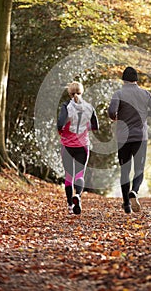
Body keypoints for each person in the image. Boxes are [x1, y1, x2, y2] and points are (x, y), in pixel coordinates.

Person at [108, 67, 151, 214]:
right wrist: (143, 114)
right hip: (140, 138)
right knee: (139, 169)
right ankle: (134, 191)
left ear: (123, 80)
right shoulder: (145, 94)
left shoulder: (118, 94)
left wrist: (117, 118)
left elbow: (112, 112)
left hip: (123, 137)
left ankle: (126, 204)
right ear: (136, 79)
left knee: (125, 170)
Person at [57, 81, 99, 215]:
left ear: (69, 93)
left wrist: (62, 131)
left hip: (67, 146)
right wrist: (85, 128)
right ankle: (78, 196)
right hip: (83, 146)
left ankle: (70, 205)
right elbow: (95, 126)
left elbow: (60, 123)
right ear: (82, 92)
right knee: (80, 174)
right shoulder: (89, 107)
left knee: (69, 175)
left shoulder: (66, 106)